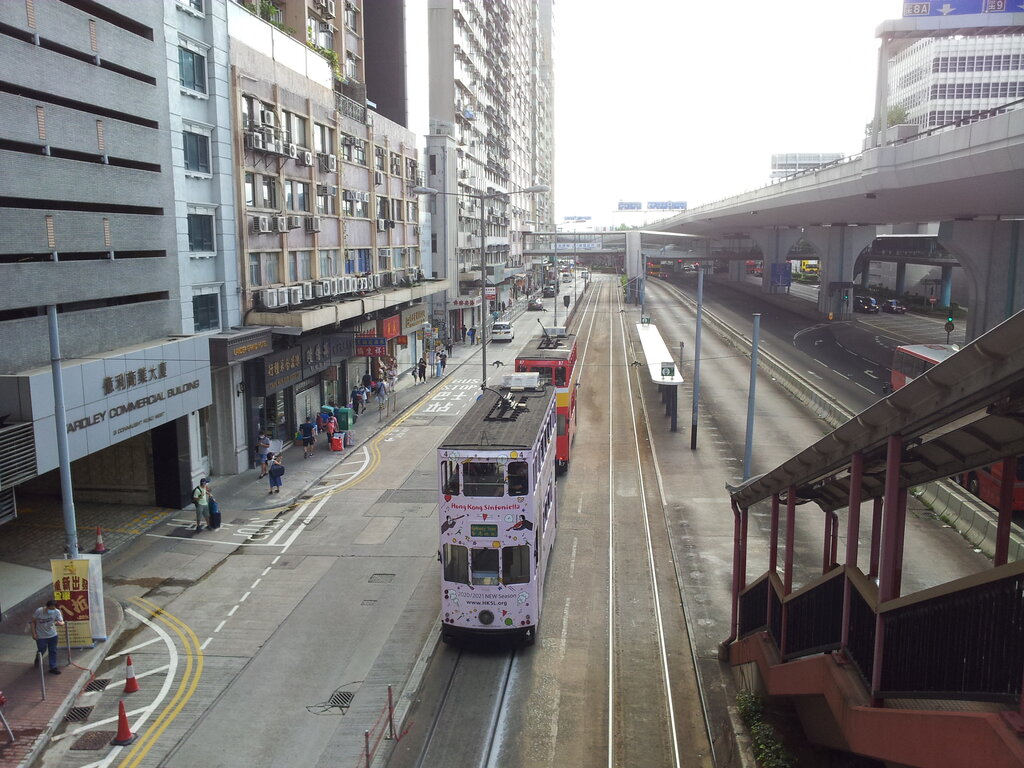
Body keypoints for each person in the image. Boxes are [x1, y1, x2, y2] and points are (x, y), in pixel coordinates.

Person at [32, 599, 65, 674]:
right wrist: (34, 633)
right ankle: (38, 658)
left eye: (53, 608)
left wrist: (60, 623)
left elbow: (62, 621)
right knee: (42, 649)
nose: (51, 610)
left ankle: (53, 667)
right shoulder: (39, 611)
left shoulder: (57, 612)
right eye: (50, 608)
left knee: (53, 651)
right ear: (46, 607)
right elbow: (33, 622)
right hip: (41, 636)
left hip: (52, 635)